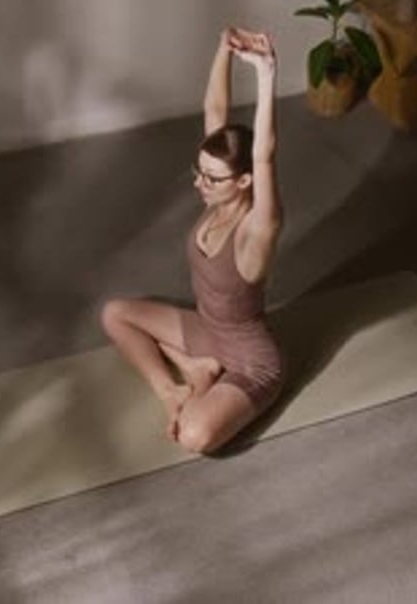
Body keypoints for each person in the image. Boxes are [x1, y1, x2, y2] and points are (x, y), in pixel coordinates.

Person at [101, 27, 285, 453]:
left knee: (195, 437)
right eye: (198, 172)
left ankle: (200, 375)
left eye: (213, 178)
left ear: (243, 180)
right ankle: (178, 384)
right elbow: (214, 108)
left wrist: (266, 73)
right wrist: (223, 47)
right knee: (115, 314)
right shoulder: (219, 195)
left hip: (251, 363)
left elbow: (264, 153)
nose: (201, 184)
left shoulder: (259, 226)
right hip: (207, 334)